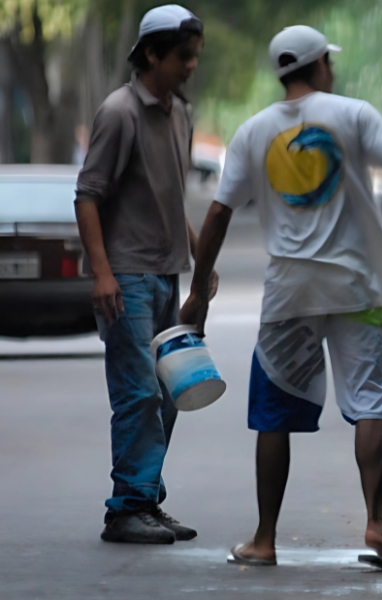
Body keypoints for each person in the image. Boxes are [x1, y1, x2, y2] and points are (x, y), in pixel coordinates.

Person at [178, 25, 382, 568]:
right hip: (354, 286)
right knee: (370, 402)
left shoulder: (253, 132)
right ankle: (377, 524)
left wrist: (198, 292)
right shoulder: (353, 114)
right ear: (320, 64)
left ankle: (263, 539)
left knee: (273, 414)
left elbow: (217, 213)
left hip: (288, 292)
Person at [74, 4, 210, 544]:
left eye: (194, 56)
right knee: (138, 394)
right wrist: (102, 273)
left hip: (166, 273)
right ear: (151, 53)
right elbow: (88, 197)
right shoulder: (120, 112)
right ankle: (126, 507)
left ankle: (146, 497)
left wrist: (202, 255)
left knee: (170, 389)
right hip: (126, 277)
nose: (190, 66)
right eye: (183, 56)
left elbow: (170, 194)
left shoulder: (181, 113)